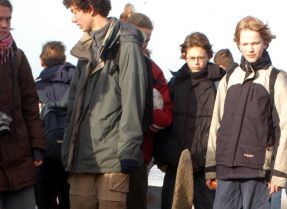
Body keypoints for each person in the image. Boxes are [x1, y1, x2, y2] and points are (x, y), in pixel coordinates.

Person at [61, 0, 147, 209]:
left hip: (113, 159)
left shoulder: (126, 44)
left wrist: (127, 150)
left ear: (90, 7)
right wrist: (67, 151)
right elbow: (73, 106)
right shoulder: (84, 48)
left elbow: (133, 100)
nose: (73, 19)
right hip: (82, 157)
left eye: (75, 12)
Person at [205, 16, 287, 209]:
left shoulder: (275, 79)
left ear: (265, 42)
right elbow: (216, 124)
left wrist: (279, 174)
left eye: (255, 43)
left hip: (257, 171)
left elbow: (285, 128)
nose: (250, 48)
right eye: (245, 43)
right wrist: (211, 168)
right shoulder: (229, 78)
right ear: (238, 45)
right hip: (226, 169)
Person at [159, 32, 224, 209]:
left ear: (209, 56)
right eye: (192, 57)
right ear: (184, 56)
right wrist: (161, 156)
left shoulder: (220, 83)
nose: (196, 62)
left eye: (200, 58)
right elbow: (166, 123)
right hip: (175, 163)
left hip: (206, 166)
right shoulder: (175, 83)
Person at [120, 5, 173, 209]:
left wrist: (142, 119)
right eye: (139, 37)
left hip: (138, 154)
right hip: (104, 154)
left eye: (147, 39)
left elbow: (165, 115)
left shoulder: (153, 70)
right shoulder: (106, 63)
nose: (143, 44)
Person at [0, 0, 46, 208]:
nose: (4, 24)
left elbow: (30, 105)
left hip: (19, 157)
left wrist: (37, 146)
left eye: (8, 19)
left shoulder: (18, 57)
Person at [35, 41, 75, 209]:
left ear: (42, 61)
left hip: (46, 150)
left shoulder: (36, 86)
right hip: (73, 149)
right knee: (70, 198)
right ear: (64, 60)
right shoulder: (77, 83)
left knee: (45, 198)